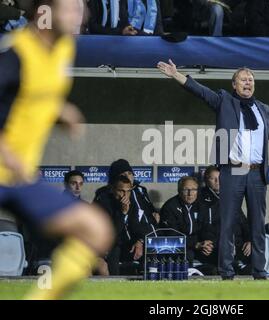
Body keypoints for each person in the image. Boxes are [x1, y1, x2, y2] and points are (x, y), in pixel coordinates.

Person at [157, 60, 269, 280]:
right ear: (234, 84)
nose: (248, 82)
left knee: (258, 225)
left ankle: (259, 271)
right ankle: (227, 272)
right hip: (233, 171)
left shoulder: (264, 110)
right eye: (243, 79)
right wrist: (177, 75)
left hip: (257, 173)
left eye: (251, 80)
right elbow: (201, 92)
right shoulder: (225, 101)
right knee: (228, 224)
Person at [0, 0, 114, 299]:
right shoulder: (14, 53)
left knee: (95, 231)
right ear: (44, 14)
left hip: (17, 176)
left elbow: (34, 93)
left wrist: (61, 110)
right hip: (8, 164)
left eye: (81, 8)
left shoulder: (63, 49)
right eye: (71, 8)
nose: (82, 15)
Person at [95, 175, 157, 274]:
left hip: (128, 245)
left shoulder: (132, 203)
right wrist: (123, 213)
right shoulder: (104, 204)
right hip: (111, 246)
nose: (125, 195)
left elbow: (137, 227)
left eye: (128, 191)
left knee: (150, 249)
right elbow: (111, 235)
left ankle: (149, 282)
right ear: (113, 190)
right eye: (121, 191)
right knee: (114, 250)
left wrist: (140, 241)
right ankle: (114, 283)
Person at [198, 166, 251, 275]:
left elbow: (244, 223)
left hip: (237, 244)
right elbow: (199, 227)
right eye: (213, 178)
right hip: (215, 246)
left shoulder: (231, 196)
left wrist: (250, 240)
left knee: (256, 252)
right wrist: (200, 243)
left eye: (219, 177)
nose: (217, 181)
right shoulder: (200, 199)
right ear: (206, 180)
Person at [160, 176, 204, 264]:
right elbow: (172, 235)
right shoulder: (170, 206)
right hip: (179, 246)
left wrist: (207, 243)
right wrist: (194, 244)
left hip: (199, 244)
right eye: (186, 189)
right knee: (187, 255)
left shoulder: (202, 204)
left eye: (194, 189)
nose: (190, 193)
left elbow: (207, 226)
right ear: (179, 191)